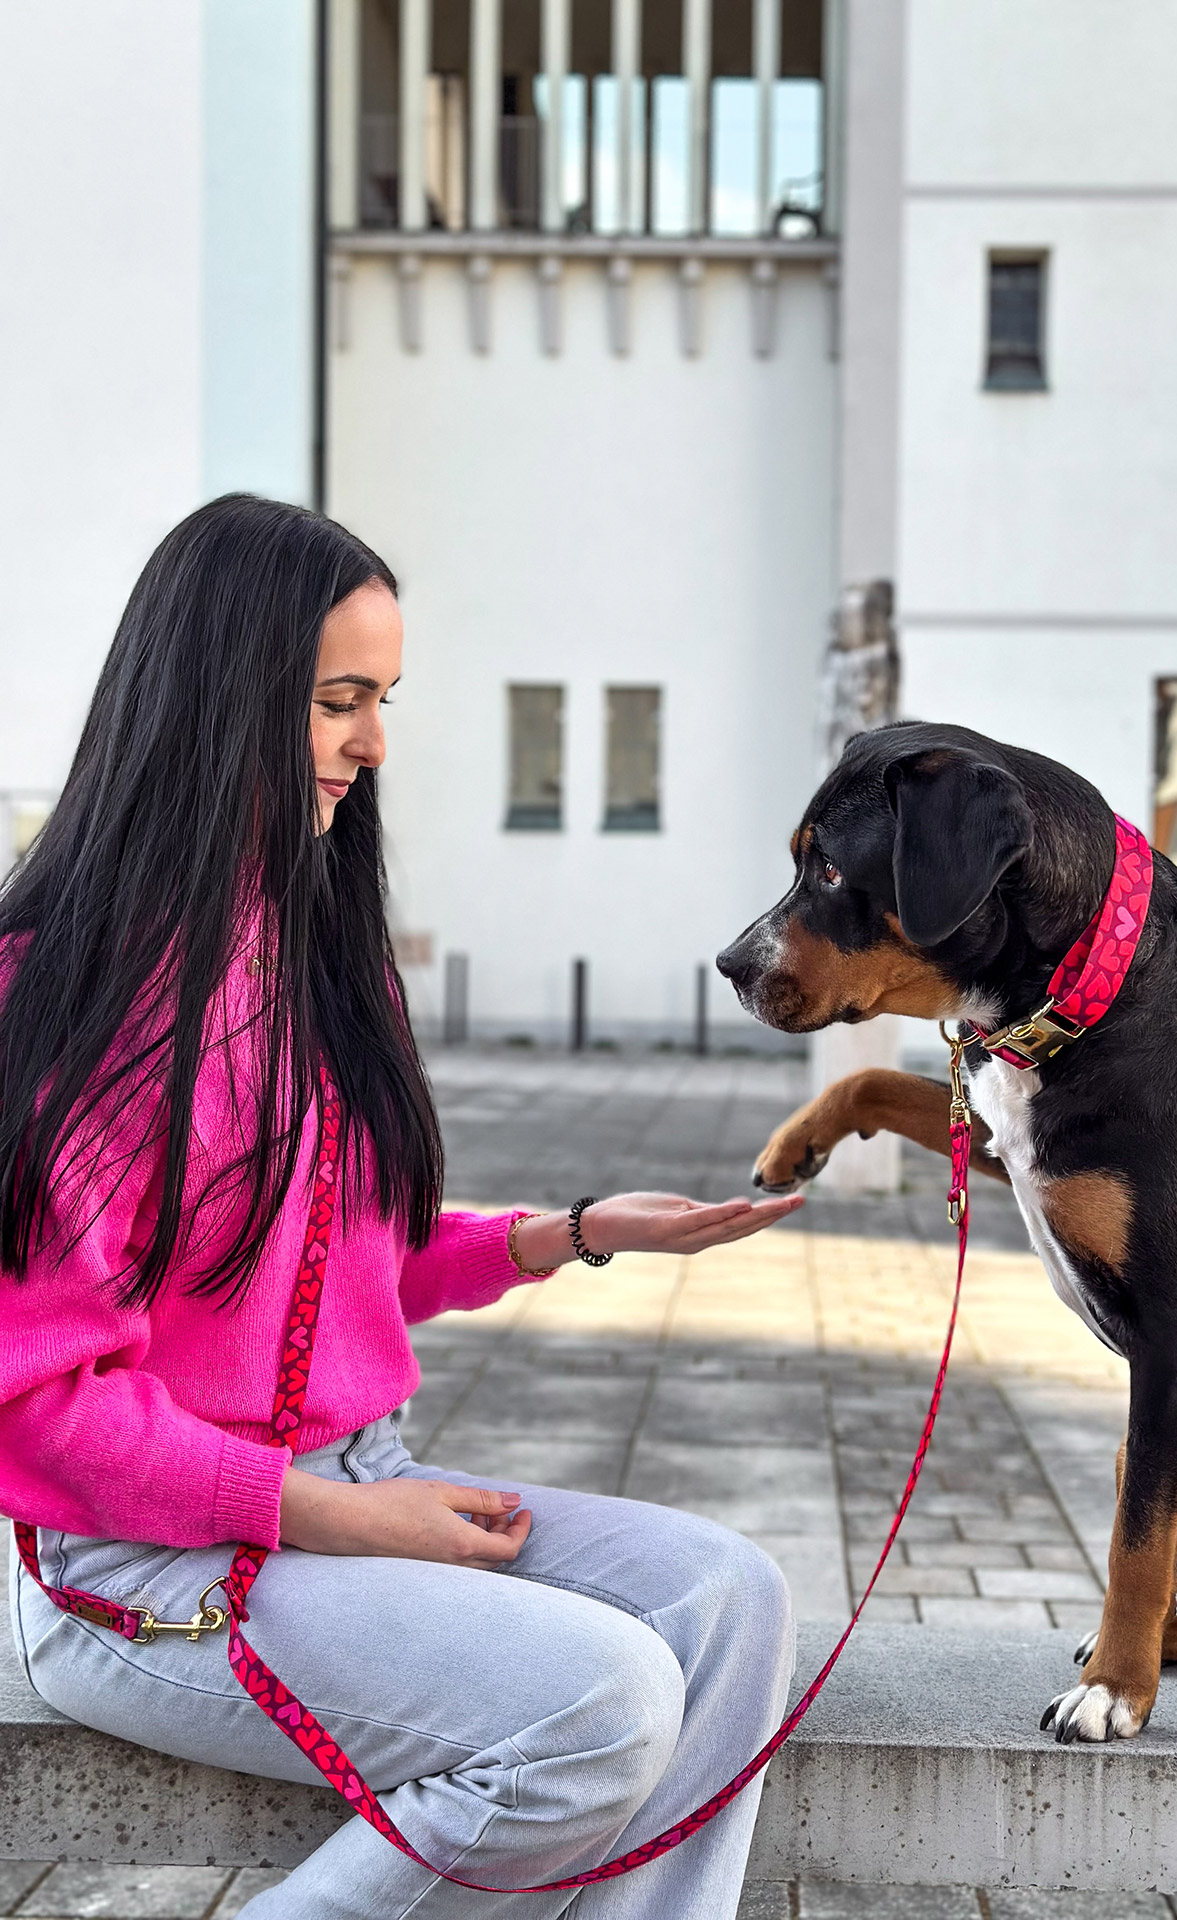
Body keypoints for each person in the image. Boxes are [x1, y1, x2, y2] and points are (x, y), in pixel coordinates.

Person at [0, 495, 803, 1918]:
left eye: (383, 699)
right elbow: (41, 1404)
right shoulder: (59, 997)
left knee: (728, 1600)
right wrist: (339, 1522)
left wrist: (572, 1232)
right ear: (216, 700)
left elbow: (338, 1254)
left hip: (346, 1490)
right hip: (144, 1569)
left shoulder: (308, 954)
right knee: (599, 1705)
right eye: (337, 702)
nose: (375, 744)